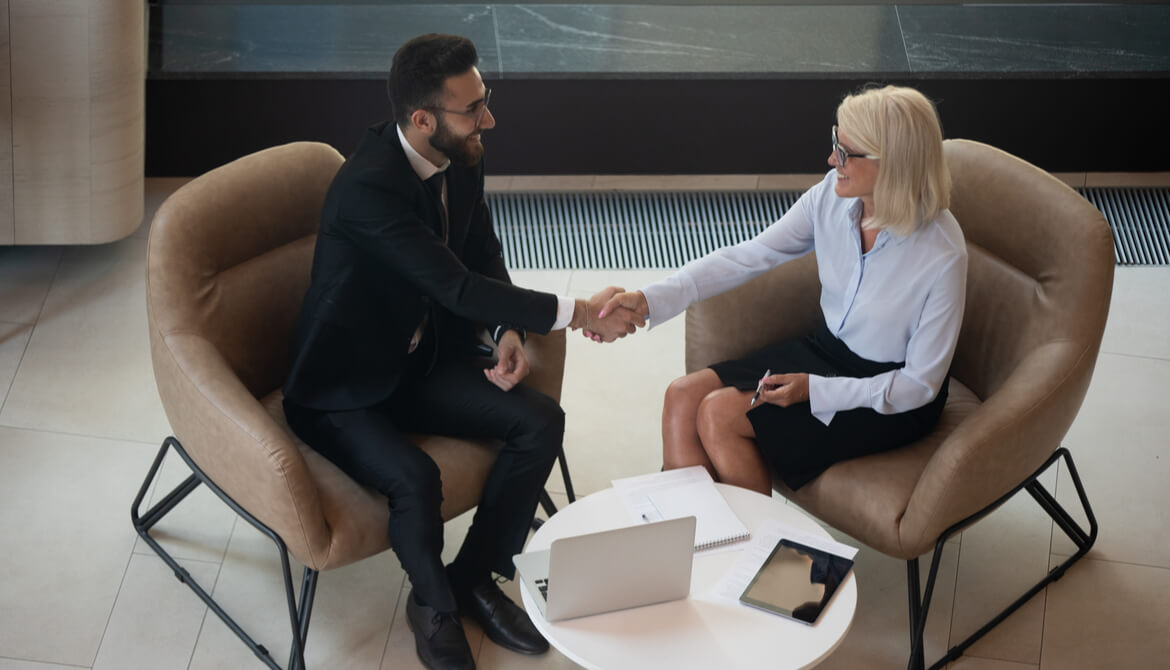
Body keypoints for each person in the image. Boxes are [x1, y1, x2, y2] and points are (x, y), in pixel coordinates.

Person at [281, 34, 640, 670]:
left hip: (418, 363)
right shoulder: (367, 189)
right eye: (473, 107)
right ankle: (435, 605)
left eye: (486, 100)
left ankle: (472, 576)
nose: (489, 119)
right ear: (422, 120)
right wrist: (579, 313)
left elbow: (479, 252)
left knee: (540, 422)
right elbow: (455, 285)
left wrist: (508, 329)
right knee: (417, 478)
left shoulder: (461, 154)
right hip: (342, 389)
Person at [590, 85, 967, 496]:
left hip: (886, 396)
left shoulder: (942, 254)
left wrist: (815, 389)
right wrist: (649, 299)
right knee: (681, 396)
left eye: (844, 153)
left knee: (719, 414)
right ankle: (695, 544)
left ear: (892, 163)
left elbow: (920, 385)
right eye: (834, 144)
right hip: (825, 352)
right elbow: (751, 255)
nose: (830, 160)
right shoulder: (831, 198)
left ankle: (759, 555)